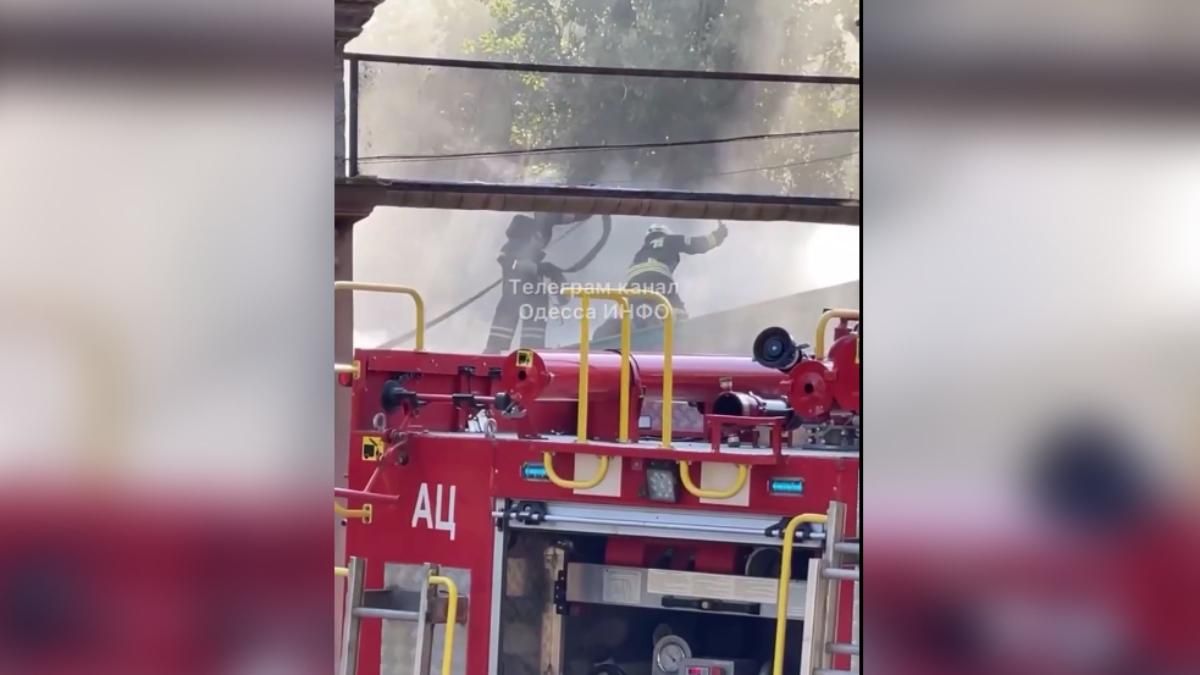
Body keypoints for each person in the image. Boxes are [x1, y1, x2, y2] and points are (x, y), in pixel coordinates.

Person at [594, 221, 729, 340]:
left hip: (632, 287)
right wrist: (718, 236)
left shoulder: (641, 252)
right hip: (658, 279)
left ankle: (606, 337)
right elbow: (696, 244)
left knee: (635, 315)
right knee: (677, 314)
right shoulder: (669, 240)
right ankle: (680, 334)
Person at [484, 212, 589, 353]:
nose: (543, 243)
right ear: (534, 236)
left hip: (529, 350)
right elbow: (513, 263)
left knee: (529, 353)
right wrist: (540, 269)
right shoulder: (514, 253)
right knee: (509, 350)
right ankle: (495, 358)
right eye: (541, 238)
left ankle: (510, 360)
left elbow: (568, 216)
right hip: (505, 343)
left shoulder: (536, 271)